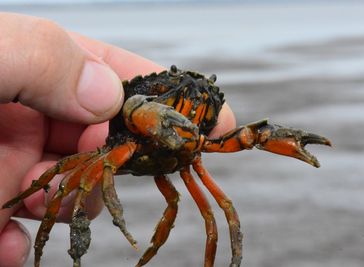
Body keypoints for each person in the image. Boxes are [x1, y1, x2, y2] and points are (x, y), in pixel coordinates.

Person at [0, 13, 235, 267]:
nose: (191, 102)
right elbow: (133, 107)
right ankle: (49, 255)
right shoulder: (136, 104)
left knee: (208, 212)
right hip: (121, 148)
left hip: (176, 155)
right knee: (68, 187)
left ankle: (148, 257)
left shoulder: (198, 131)